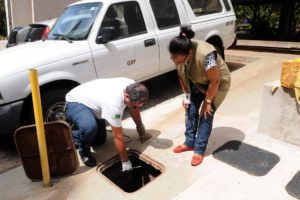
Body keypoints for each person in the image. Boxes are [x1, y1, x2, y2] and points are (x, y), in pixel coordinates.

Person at [169, 25, 231, 166]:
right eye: (173, 59)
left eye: (179, 60)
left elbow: (215, 80)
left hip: (218, 83)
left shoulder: (207, 55)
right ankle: (189, 142)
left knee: (206, 114)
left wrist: (208, 101)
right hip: (197, 82)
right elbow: (181, 75)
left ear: (189, 53)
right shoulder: (177, 54)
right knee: (190, 110)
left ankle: (199, 149)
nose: (175, 62)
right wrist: (186, 97)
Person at [65, 77, 152, 169]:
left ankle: (86, 125)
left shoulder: (133, 86)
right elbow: (118, 137)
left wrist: (141, 130)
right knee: (89, 127)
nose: (135, 108)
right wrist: (125, 161)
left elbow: (134, 109)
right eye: (134, 106)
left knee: (100, 141)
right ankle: (82, 149)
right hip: (76, 101)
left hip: (94, 101)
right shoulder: (114, 105)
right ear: (127, 96)